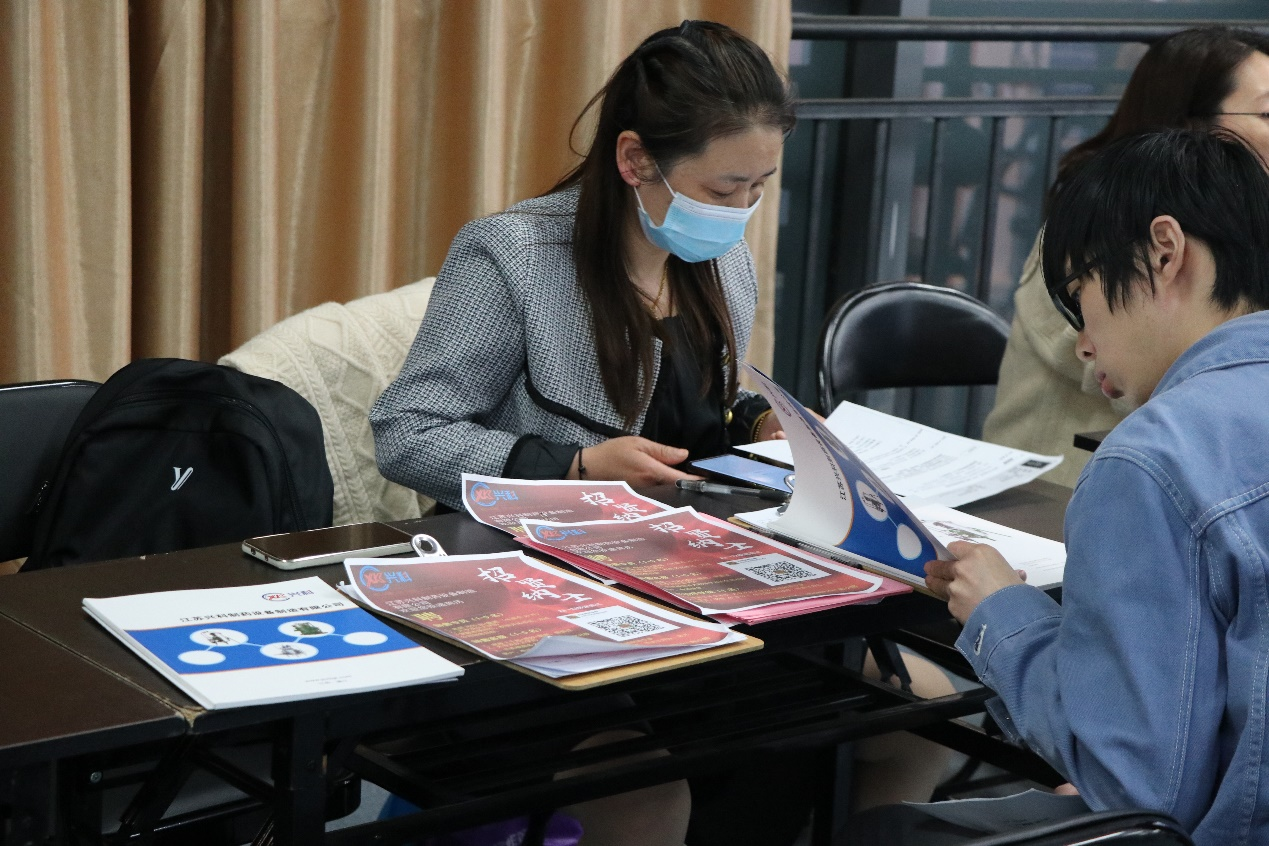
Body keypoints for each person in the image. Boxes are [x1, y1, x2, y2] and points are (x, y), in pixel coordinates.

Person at [372, 20, 954, 845]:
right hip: (539, 593)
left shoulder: (722, 261)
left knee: (918, 715)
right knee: (646, 796)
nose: (741, 212)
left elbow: (703, 402)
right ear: (634, 160)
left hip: (698, 583)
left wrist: (762, 421)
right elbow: (406, 434)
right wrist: (574, 466)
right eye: (723, 189)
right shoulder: (512, 257)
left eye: (758, 186)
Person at [856, 128, 1269, 846]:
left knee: (887, 833)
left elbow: (1136, 789)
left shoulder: (1152, 459)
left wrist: (1001, 613)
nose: (1082, 342)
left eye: (1081, 296)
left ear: (1164, 253)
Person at [983, 26, 1269, 487]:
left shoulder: (1233, 232)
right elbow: (1165, 386)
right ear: (1191, 128)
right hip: (1054, 497)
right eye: (1268, 113)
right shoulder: (1093, 238)